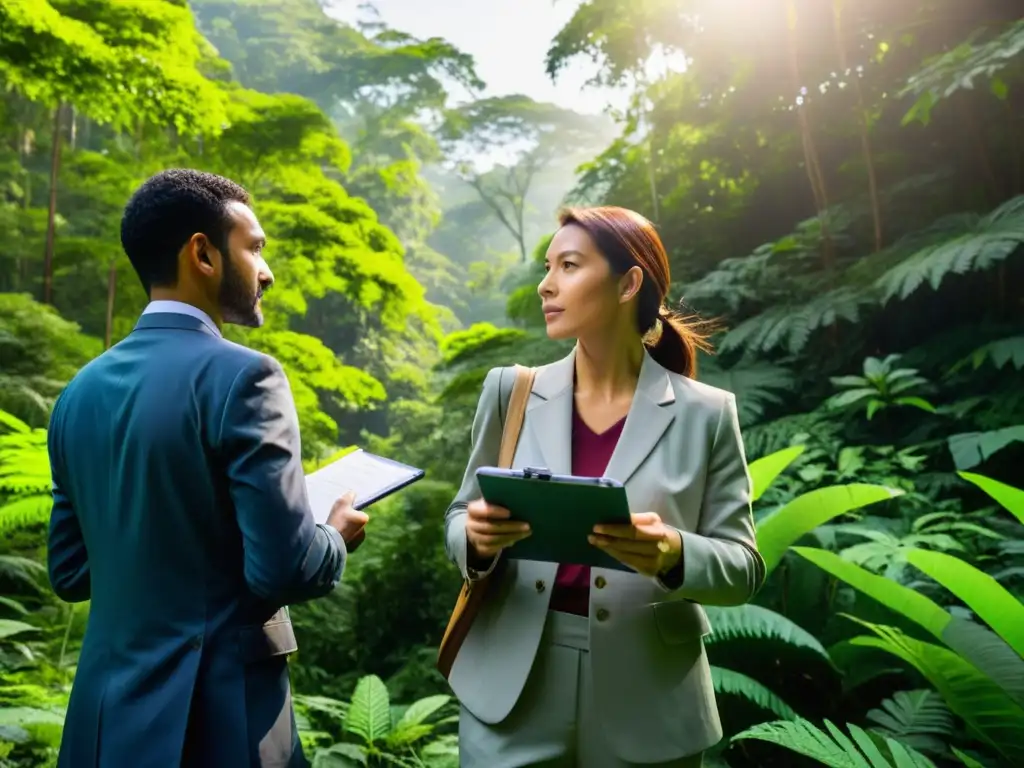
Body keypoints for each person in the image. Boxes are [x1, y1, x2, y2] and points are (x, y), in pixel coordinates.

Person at [46, 169, 368, 768]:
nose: (265, 270)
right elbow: (285, 568)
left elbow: (69, 572)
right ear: (202, 253)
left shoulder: (76, 395)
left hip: (101, 726)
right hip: (217, 721)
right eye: (254, 248)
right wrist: (333, 535)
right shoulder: (247, 377)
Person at [444, 206, 766, 767]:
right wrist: (474, 538)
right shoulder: (509, 392)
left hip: (649, 699)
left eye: (569, 266)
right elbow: (459, 515)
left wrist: (674, 552)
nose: (546, 285)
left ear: (629, 283)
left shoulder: (706, 414)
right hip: (513, 688)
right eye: (548, 267)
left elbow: (744, 566)